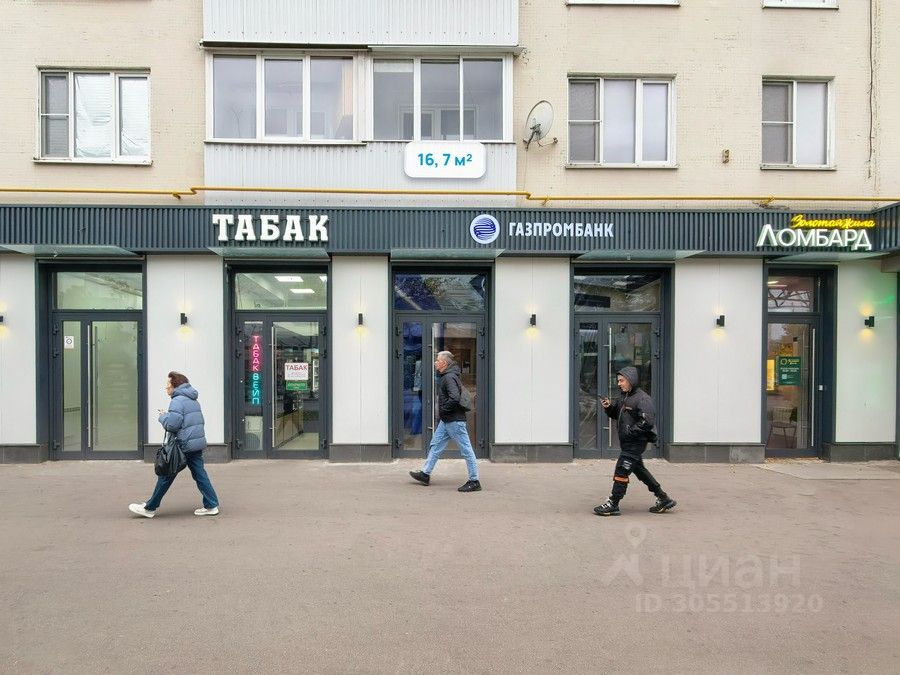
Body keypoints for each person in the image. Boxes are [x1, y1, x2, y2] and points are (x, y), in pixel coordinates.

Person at [129, 371, 220, 518]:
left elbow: (172, 425)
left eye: (168, 384)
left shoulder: (177, 401)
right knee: (200, 475)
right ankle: (211, 505)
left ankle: (149, 508)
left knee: (166, 475)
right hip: (195, 444)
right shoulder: (192, 399)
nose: (166, 388)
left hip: (183, 445)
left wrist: (162, 417)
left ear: (175, 385)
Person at [593, 366, 675, 516]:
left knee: (622, 470)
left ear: (631, 380)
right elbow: (616, 414)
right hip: (628, 442)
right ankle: (663, 498)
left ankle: (613, 503)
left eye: (621, 380)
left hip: (635, 443)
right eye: (618, 381)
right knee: (640, 471)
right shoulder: (624, 397)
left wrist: (630, 432)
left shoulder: (643, 399)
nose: (619, 384)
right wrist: (608, 407)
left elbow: (647, 422)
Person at [408, 351, 482, 492]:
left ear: (444, 363)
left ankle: (474, 481)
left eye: (437, 360)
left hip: (454, 421)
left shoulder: (449, 377)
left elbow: (454, 397)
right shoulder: (448, 376)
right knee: (436, 445)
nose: (435, 362)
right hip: (447, 420)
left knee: (466, 450)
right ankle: (425, 474)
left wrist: (444, 409)